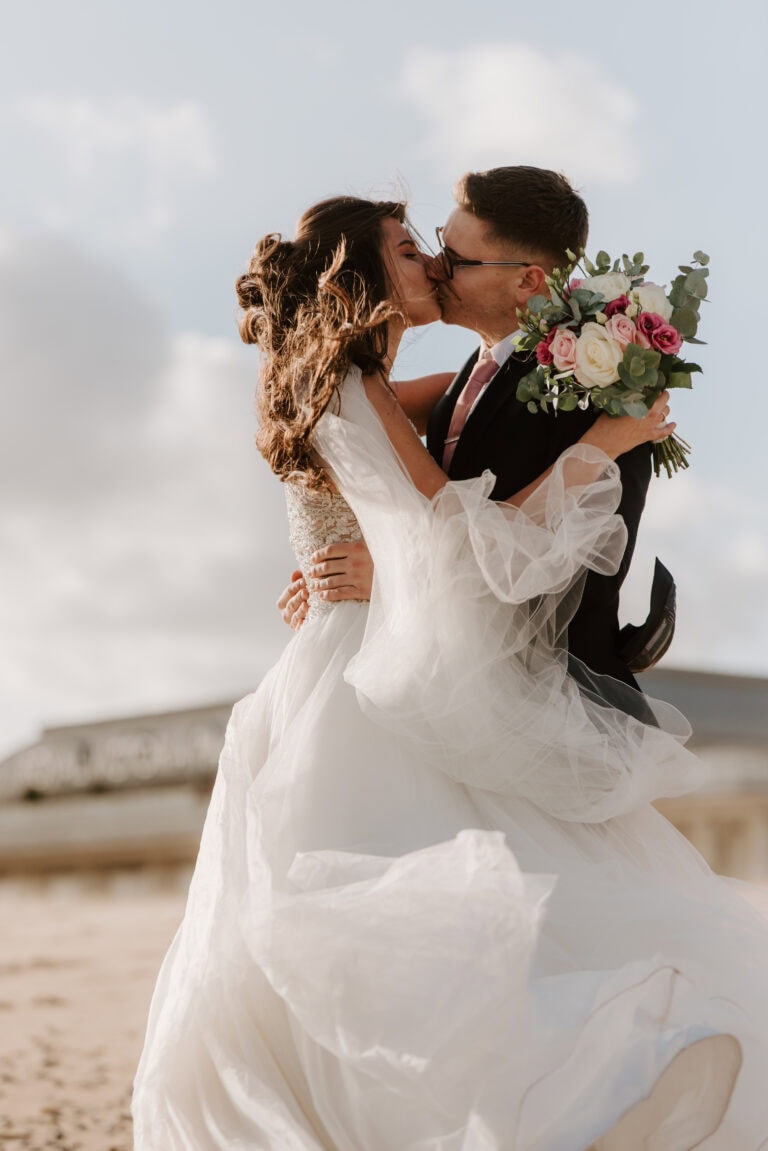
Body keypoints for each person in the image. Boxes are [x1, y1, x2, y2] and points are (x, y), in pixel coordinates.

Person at [132, 195, 768, 1151]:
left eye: (443, 250)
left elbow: (408, 468)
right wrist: (609, 441)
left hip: (351, 655)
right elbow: (465, 540)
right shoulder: (357, 386)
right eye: (411, 248)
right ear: (365, 275)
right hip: (367, 669)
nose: (431, 260)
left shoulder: (366, 381)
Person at [278, 168, 669, 711]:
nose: (437, 266)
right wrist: (357, 587)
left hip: (550, 705)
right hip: (430, 688)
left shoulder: (591, 390)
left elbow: (559, 575)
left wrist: (397, 582)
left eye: (456, 261)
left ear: (528, 281)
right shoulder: (447, 386)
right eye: (432, 246)